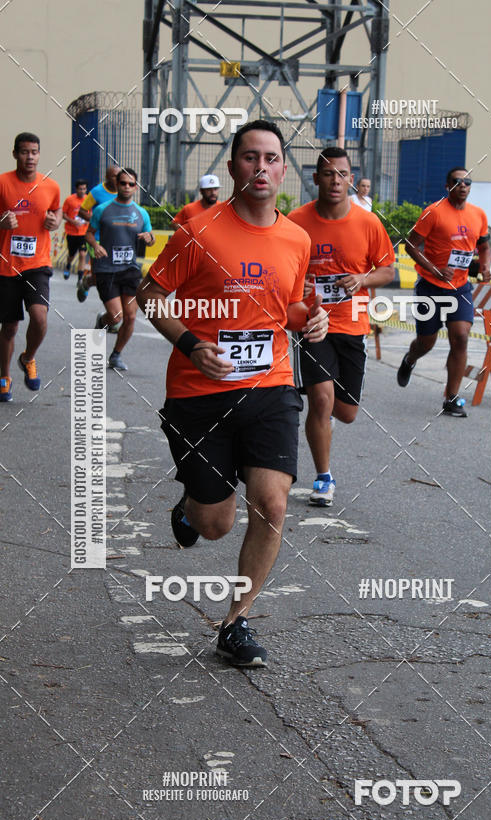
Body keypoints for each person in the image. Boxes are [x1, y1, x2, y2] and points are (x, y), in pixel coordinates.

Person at [137, 119, 327, 667]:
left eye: (271, 158)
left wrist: (308, 320)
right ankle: (193, 507)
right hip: (199, 395)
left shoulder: (296, 237)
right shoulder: (198, 230)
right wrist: (192, 343)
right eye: (250, 157)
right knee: (216, 523)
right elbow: (152, 294)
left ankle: (235, 622)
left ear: (284, 169)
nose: (260, 167)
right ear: (233, 166)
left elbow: (285, 306)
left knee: (272, 503)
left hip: (269, 388)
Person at [288, 147, 395, 506]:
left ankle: (327, 420)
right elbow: (280, 269)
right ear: (315, 178)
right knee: (320, 399)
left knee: (345, 413)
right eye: (328, 173)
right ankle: (323, 478)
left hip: (352, 325)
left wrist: (362, 279)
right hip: (312, 324)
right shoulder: (295, 221)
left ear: (351, 179)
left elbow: (388, 270)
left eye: (342, 174)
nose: (335, 180)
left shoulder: (368, 222)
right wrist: (297, 288)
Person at [396, 167, 491, 417]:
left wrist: (486, 266)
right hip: (430, 285)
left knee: (460, 336)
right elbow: (410, 245)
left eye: (467, 181)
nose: (463, 185)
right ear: (447, 186)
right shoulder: (434, 212)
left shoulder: (478, 214)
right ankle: (410, 359)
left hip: (459, 287)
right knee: (427, 341)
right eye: (457, 181)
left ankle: (451, 398)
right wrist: (435, 269)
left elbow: (485, 246)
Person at [0, 132, 61, 402]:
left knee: (39, 317)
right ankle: (4, 377)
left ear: (39, 154)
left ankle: (28, 357)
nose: (30, 157)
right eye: (24, 152)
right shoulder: (2, 183)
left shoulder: (51, 187)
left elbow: (56, 211)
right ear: (15, 154)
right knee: (10, 326)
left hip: (37, 264)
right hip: (6, 265)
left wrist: (55, 221)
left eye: (34, 152)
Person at [86, 168, 154, 371]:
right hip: (107, 269)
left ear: (136, 187)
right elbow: (89, 234)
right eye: (123, 183)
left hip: (130, 270)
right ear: (117, 184)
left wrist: (149, 238)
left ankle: (116, 355)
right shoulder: (102, 209)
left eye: (130, 184)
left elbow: (150, 238)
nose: (126, 187)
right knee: (116, 317)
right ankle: (103, 320)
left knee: (131, 316)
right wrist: (96, 245)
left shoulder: (141, 213)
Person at [76, 165, 120, 302]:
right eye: (114, 176)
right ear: (107, 177)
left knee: (116, 275)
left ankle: (114, 308)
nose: (118, 179)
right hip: (97, 239)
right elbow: (82, 211)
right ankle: (87, 282)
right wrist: (98, 220)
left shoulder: (123, 190)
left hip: (116, 239)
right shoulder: (97, 192)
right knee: (98, 277)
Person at [62, 179, 88, 285]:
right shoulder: (69, 200)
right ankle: (68, 265)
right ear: (76, 189)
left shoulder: (88, 200)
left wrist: (87, 220)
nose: (82, 191)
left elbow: (89, 214)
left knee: (82, 254)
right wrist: (73, 221)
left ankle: (80, 279)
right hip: (72, 232)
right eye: (80, 189)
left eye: (84, 189)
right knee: (71, 255)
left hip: (83, 232)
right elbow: (63, 214)